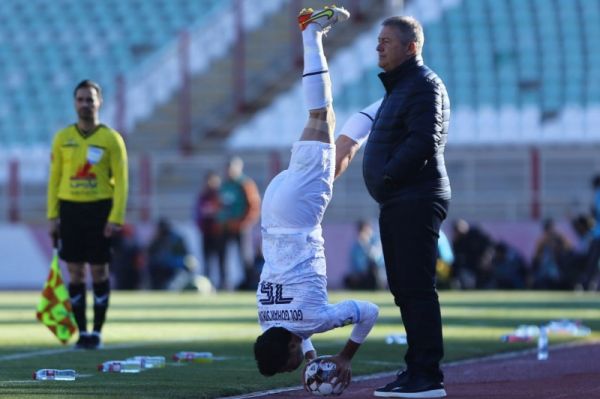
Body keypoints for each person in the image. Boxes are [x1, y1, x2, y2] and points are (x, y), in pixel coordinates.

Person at [253, 6, 379, 390]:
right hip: (274, 213)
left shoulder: (310, 322)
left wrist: (343, 356)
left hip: (297, 217)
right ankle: (384, 108)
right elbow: (297, 325)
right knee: (337, 156)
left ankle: (312, 32)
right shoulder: (266, 319)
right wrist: (308, 353)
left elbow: (369, 311)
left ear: (290, 346)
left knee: (320, 115)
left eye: (293, 362)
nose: (298, 366)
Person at [335, 16, 452, 398]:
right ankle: (416, 369)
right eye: (378, 41)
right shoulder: (400, 88)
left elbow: (424, 140)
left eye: (386, 41)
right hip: (401, 199)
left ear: (411, 47)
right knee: (404, 288)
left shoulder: (424, 84)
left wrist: (388, 177)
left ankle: (426, 375)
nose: (378, 47)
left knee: (416, 288)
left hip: (414, 197)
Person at [47, 79, 128, 350]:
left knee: (99, 270)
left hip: (99, 209)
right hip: (70, 210)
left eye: (90, 99)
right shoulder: (62, 138)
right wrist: (52, 216)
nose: (85, 104)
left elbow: (122, 181)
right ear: (74, 103)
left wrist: (114, 217)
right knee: (76, 272)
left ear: (99, 102)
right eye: (80, 99)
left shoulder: (111, 139)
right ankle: (82, 332)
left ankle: (98, 331)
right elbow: (55, 179)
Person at [217, 156, 261, 290]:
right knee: (222, 256)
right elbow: (219, 205)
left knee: (244, 257)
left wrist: (245, 222)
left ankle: (249, 283)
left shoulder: (245, 184)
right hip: (225, 226)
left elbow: (254, 205)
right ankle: (223, 283)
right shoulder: (224, 184)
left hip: (240, 227)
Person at [194, 170, 222, 288]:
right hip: (206, 232)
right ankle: (207, 284)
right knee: (207, 260)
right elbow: (198, 214)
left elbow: (222, 212)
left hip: (219, 233)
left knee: (221, 260)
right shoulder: (203, 196)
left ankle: (222, 283)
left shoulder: (220, 195)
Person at [147, 218, 190, 290]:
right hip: (161, 267)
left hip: (173, 267)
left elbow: (184, 254)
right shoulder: (158, 239)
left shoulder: (176, 238)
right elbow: (150, 251)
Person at [343, 219, 384, 290]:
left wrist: (366, 244)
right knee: (347, 279)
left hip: (377, 275)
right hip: (363, 275)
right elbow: (355, 264)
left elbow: (376, 259)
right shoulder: (356, 246)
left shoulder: (377, 240)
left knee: (373, 267)